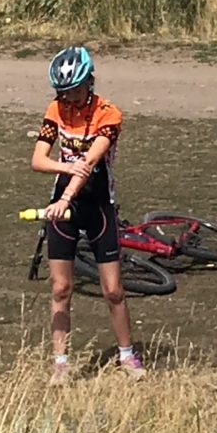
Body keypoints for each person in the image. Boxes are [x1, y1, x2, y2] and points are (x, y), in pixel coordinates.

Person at [31, 45, 143, 382]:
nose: (70, 100)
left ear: (90, 83)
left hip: (98, 208)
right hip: (62, 208)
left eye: (76, 91)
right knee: (61, 289)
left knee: (113, 290)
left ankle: (127, 357)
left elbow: (91, 163)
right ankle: (60, 364)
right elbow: (38, 160)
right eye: (63, 93)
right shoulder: (56, 110)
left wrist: (67, 194)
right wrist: (65, 168)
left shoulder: (109, 114)